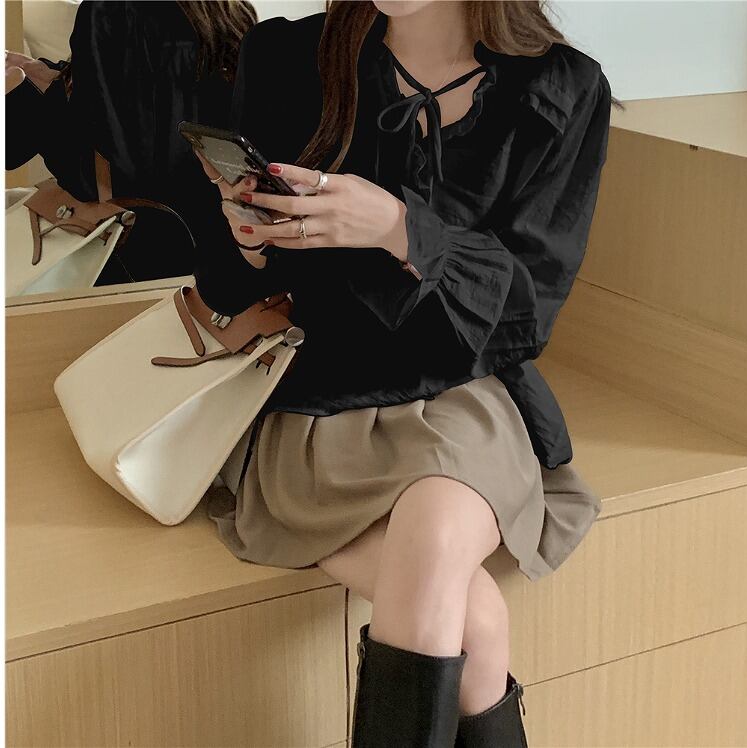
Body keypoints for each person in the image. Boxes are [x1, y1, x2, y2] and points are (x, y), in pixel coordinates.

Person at [197, 1, 617, 745]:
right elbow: (226, 285)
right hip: (319, 400)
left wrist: (400, 229)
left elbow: (528, 313)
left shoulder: (560, 88)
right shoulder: (287, 58)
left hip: (463, 395)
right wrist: (251, 241)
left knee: (439, 544)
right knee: (474, 618)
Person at [5, 0, 257, 285]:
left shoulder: (108, 11)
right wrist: (53, 78)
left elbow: (105, 167)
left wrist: (25, 95)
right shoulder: (231, 12)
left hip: (139, 254)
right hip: (230, 248)